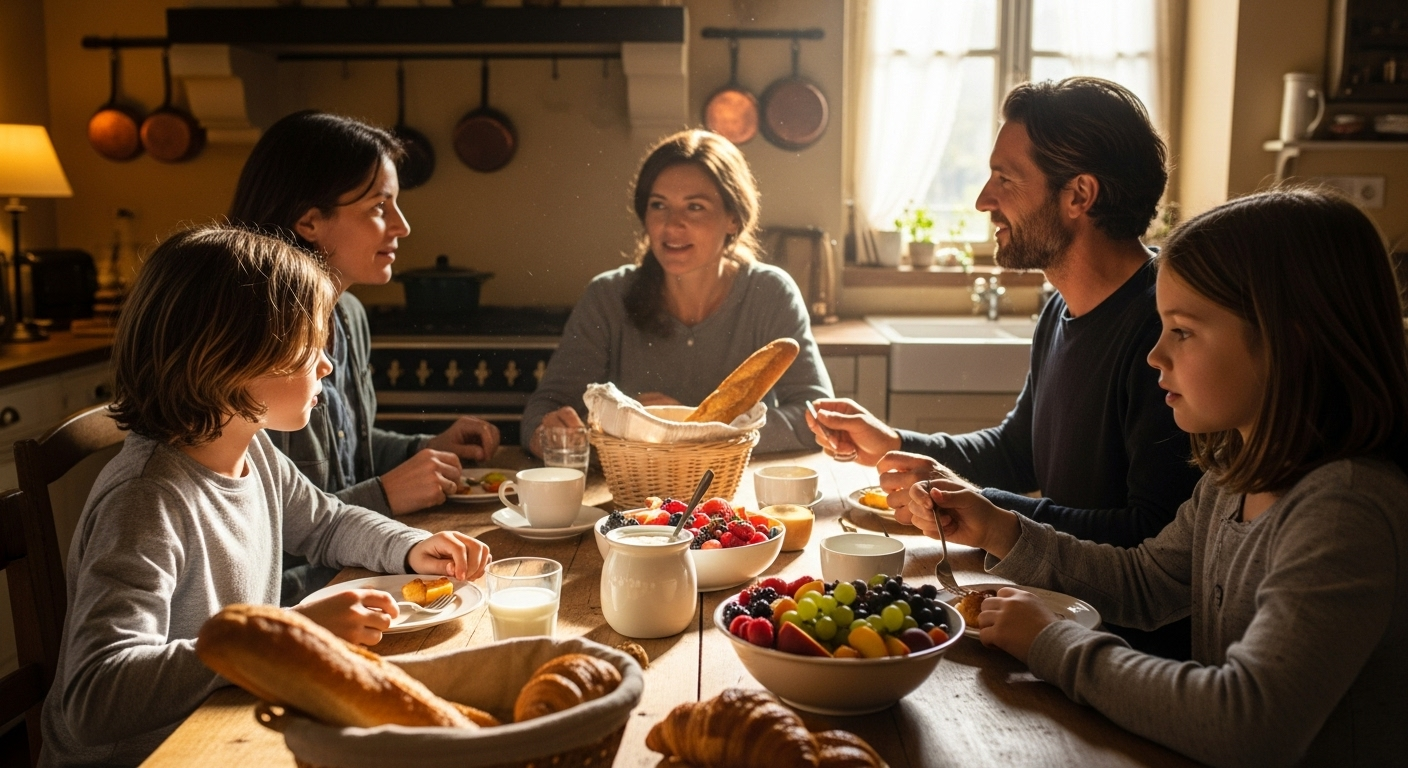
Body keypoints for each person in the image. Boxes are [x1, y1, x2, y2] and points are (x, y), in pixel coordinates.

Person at [908, 188, 1408, 767]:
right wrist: (1001, 530)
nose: (1155, 355)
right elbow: (1147, 581)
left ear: (1288, 341)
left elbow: (1247, 721)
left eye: (1183, 331)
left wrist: (1053, 644)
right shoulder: (1231, 479)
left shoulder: (1345, 512)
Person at [39, 226, 492, 767]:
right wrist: (289, 631)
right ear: (230, 359)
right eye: (307, 347)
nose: (325, 364)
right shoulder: (146, 501)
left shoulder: (257, 453)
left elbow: (327, 524)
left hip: (226, 724)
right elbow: (96, 696)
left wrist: (410, 548)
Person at [807, 79, 1200, 656]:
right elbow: (1019, 449)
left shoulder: (1161, 329)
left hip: (1121, 652)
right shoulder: (1059, 309)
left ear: (1079, 196)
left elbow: (1151, 536)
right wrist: (895, 441)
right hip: (1054, 615)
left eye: (1005, 178)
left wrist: (987, 514)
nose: (983, 200)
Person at [229, 111, 500, 603]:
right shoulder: (252, 345)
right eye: (380, 207)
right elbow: (271, 531)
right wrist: (385, 494)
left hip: (353, 565)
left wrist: (423, 446)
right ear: (309, 220)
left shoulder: (347, 314)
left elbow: (340, 444)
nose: (403, 226)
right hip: (301, 595)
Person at [522, 129, 831, 455]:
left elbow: (817, 419)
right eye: (659, 205)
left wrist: (689, 427)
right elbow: (541, 411)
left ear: (733, 219)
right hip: (627, 496)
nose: (671, 225)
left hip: (739, 497)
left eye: (695, 207)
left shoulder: (770, 293)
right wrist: (549, 435)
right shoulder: (607, 296)